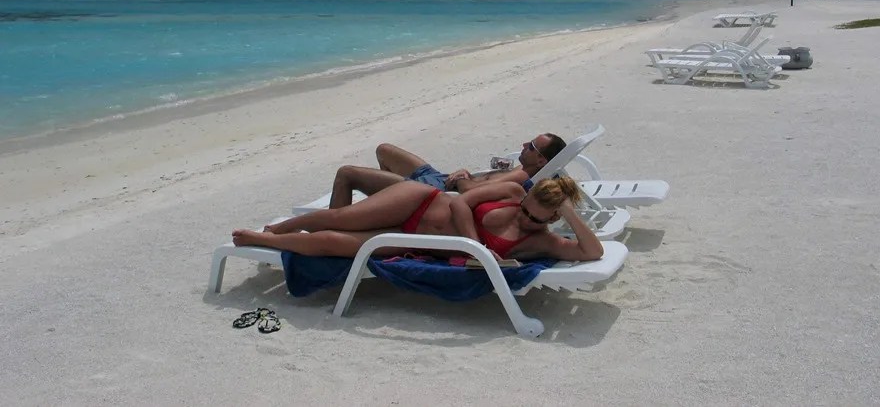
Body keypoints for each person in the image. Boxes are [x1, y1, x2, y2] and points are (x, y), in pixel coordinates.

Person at [233, 175, 604, 263]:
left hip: (414, 239)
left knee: (335, 241)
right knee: (341, 217)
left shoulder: (539, 241)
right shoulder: (511, 192)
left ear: (552, 217)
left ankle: (267, 241)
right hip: (421, 202)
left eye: (535, 219)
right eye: (525, 210)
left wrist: (569, 213)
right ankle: (278, 228)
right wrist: (475, 247)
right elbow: (461, 203)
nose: (524, 219)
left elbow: (593, 253)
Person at [326, 133, 567, 208]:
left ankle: (337, 228)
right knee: (384, 150)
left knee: (346, 173)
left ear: (542, 161)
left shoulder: (521, 176)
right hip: (438, 178)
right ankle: (383, 207)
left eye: (532, 147)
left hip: (430, 191)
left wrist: (463, 178)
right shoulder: (524, 170)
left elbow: (469, 193)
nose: (524, 145)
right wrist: (465, 173)